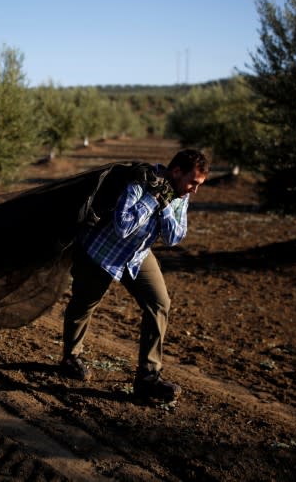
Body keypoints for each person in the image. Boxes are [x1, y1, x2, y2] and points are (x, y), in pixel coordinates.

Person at [60, 149, 209, 402]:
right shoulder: (140, 181)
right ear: (176, 172)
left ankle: (148, 378)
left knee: (160, 304)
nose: (194, 190)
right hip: (102, 252)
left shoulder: (180, 194)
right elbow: (123, 226)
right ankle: (70, 358)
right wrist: (152, 199)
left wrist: (163, 207)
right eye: (193, 183)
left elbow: (174, 237)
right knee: (84, 303)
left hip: (138, 256)